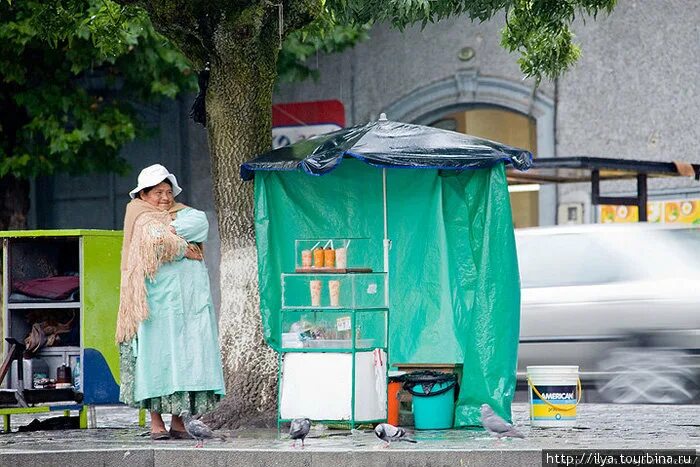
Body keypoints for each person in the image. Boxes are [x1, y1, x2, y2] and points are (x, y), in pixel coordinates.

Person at [116, 164, 225, 440]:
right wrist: (184, 249)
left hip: (189, 304)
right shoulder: (138, 216)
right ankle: (156, 424)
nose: (165, 198)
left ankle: (178, 422)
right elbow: (152, 242)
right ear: (143, 194)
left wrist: (168, 235)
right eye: (157, 192)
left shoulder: (183, 212)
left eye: (168, 191)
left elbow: (201, 224)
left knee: (185, 359)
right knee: (157, 358)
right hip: (156, 303)